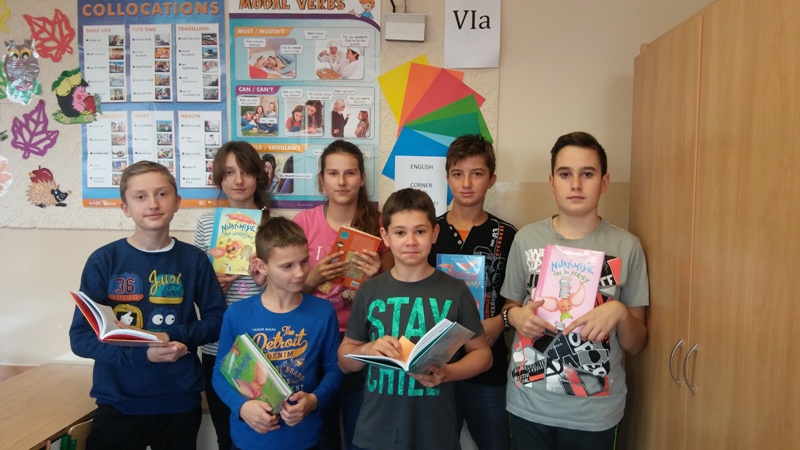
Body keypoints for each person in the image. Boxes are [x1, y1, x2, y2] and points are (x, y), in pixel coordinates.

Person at [501, 131, 649, 450]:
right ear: (552, 182)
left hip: (594, 413)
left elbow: (637, 343)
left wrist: (620, 312)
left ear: (604, 182)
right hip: (529, 404)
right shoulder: (526, 239)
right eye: (565, 174)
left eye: (588, 174)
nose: (576, 185)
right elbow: (509, 307)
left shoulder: (627, 247)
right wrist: (515, 317)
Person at [69, 161, 226, 450]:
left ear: (177, 202)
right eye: (140, 196)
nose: (153, 203)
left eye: (162, 194)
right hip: (118, 402)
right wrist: (144, 355)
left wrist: (171, 336)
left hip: (179, 403)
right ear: (125, 208)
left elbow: (217, 321)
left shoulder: (194, 260)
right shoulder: (104, 261)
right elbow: (81, 339)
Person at [338, 188, 492, 450]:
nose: (410, 241)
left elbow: (483, 355)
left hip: (435, 432)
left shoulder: (456, 291)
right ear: (385, 236)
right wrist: (367, 349)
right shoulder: (370, 290)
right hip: (377, 432)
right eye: (400, 233)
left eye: (420, 231)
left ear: (434, 233)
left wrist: (448, 373)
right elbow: (344, 360)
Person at [292, 140, 393, 450]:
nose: (341, 181)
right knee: (319, 433)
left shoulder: (380, 225)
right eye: (333, 173)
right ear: (321, 180)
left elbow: (395, 289)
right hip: (314, 339)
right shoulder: (303, 223)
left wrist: (376, 276)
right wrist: (312, 279)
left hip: (362, 338)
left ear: (362, 178)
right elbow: (286, 290)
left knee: (359, 432)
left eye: (350, 173)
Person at [212, 217, 344, 450]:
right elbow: (220, 374)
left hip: (304, 438)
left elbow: (335, 370)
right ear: (262, 266)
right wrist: (242, 407)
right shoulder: (238, 313)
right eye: (287, 266)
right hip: (250, 440)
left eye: (304, 261)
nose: (300, 272)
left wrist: (314, 400)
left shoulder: (322, 313)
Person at [426, 134, 518, 450]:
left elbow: (518, 298)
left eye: (477, 173)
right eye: (458, 173)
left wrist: (501, 322)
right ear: (447, 177)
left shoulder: (508, 235)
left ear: (491, 179)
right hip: (435, 366)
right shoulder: (429, 233)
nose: (466, 183)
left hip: (489, 371)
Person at [194, 141, 271, 450]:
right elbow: (195, 290)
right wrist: (213, 289)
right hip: (218, 345)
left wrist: (266, 283)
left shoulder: (273, 225)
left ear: (258, 177)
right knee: (226, 434)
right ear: (219, 178)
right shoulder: (206, 224)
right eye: (229, 173)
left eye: (246, 172)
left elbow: (288, 290)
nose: (238, 181)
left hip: (264, 342)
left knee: (265, 429)